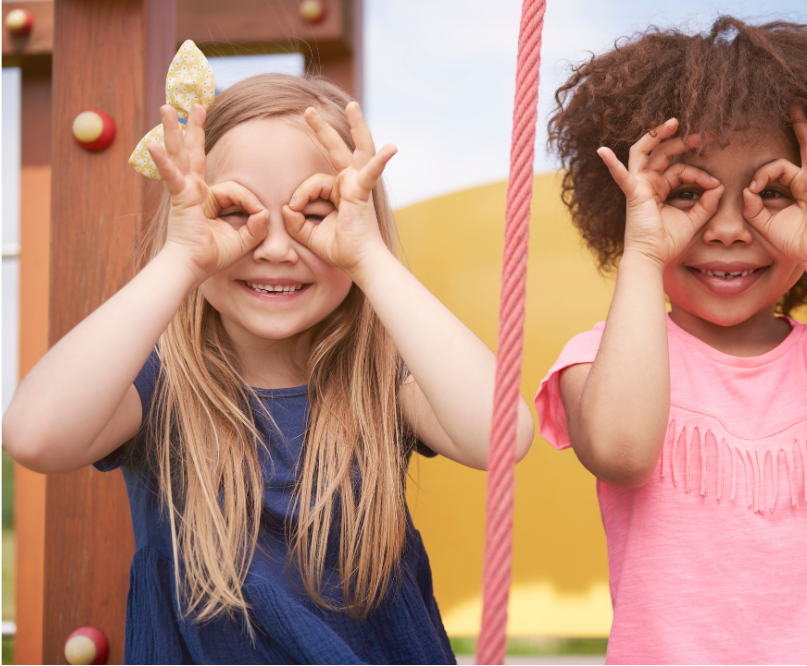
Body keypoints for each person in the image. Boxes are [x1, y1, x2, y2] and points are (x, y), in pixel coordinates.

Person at [3, 44, 534, 664]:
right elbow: (36, 436)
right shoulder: (160, 385)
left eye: (316, 212)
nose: (277, 248)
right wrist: (182, 258)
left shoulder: (381, 380)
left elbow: (503, 437)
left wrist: (368, 257)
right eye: (235, 212)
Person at [534, 17, 807, 664]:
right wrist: (645, 250)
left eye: (773, 191)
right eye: (685, 193)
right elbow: (620, 451)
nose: (729, 227)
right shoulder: (600, 358)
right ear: (620, 203)